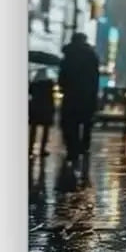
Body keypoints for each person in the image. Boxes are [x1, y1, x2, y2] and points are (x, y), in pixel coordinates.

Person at [58, 32, 100, 167]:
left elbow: (62, 76)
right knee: (86, 122)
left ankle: (72, 148)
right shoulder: (91, 55)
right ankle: (83, 147)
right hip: (87, 94)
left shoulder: (68, 55)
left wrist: (63, 87)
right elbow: (95, 77)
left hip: (70, 94)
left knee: (70, 123)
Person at [28, 68, 56, 158]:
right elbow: (51, 96)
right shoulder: (49, 83)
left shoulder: (34, 83)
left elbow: (30, 92)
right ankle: (42, 149)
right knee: (45, 129)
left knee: (33, 129)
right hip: (46, 107)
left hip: (36, 107)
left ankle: (30, 149)